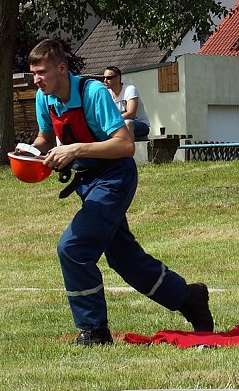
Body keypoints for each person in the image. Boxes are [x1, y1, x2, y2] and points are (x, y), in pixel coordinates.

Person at [22, 38, 213, 345]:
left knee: (72, 248)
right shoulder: (44, 98)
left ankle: (94, 331)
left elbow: (125, 145)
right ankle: (189, 297)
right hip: (88, 183)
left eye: (41, 72)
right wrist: (30, 154)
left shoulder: (93, 93)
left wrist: (74, 149)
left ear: (61, 68)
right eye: (33, 73)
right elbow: (45, 136)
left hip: (114, 179)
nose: (36, 79)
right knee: (124, 259)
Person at [102, 66, 151, 139]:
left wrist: (112, 120)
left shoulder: (130, 89)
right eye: (104, 78)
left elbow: (131, 114)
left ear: (118, 78)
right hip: (118, 125)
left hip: (139, 125)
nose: (105, 80)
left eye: (109, 78)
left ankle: (128, 149)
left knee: (126, 123)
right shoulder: (106, 93)